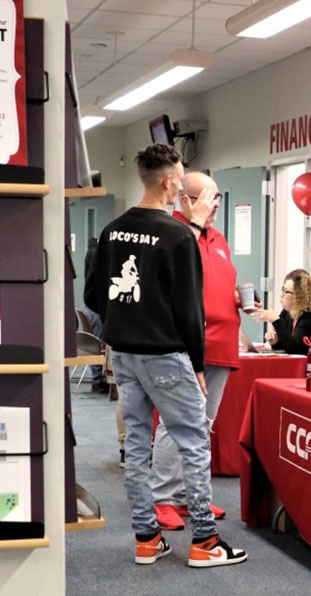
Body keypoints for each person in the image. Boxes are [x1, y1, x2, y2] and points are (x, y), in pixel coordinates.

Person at [84, 143, 247, 568]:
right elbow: (189, 312)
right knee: (194, 442)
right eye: (180, 178)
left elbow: (91, 295)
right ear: (170, 181)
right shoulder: (177, 236)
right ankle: (205, 543)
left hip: (125, 355)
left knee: (138, 446)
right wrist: (195, 367)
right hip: (168, 355)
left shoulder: (113, 230)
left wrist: (128, 320)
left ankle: (146, 539)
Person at [149, 171, 247, 531]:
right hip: (183, 344)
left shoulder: (219, 238)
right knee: (175, 423)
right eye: (209, 197)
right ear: (186, 200)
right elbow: (167, 276)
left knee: (202, 426)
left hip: (221, 345)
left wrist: (236, 298)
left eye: (219, 197)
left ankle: (192, 496)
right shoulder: (171, 232)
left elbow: (219, 281)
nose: (216, 204)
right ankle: (162, 498)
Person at [256, 269, 311, 377]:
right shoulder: (288, 313)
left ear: (299, 296)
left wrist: (275, 320)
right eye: (282, 290)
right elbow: (287, 343)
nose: (281, 295)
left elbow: (296, 348)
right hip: (301, 372)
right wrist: (275, 342)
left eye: (286, 292)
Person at [83, 237, 109, 394]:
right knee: (100, 342)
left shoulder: (90, 252)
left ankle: (98, 379)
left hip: (91, 305)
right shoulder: (95, 254)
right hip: (97, 306)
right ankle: (98, 379)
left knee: (97, 340)